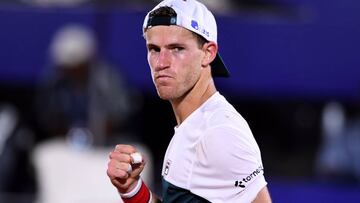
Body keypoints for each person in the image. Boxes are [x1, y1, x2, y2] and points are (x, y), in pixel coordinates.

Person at [107, 0, 271, 202]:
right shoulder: (195, 125)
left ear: (208, 53)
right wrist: (132, 190)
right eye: (154, 49)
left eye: (177, 49)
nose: (161, 63)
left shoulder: (218, 133)